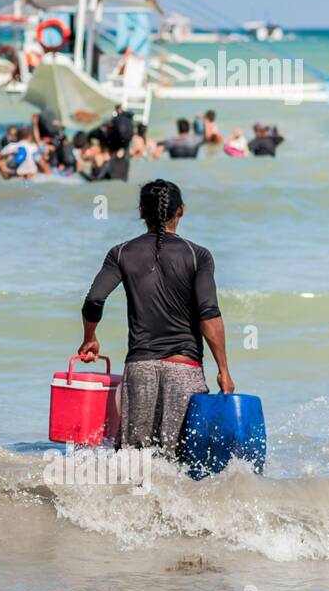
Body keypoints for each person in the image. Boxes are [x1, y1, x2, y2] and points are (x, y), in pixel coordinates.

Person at [77, 180, 234, 455]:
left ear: (141, 211)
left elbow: (94, 300)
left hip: (140, 369)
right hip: (184, 370)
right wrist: (223, 370)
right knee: (181, 460)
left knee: (134, 460)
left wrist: (90, 338)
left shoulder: (121, 253)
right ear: (180, 211)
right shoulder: (198, 256)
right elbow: (208, 313)